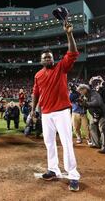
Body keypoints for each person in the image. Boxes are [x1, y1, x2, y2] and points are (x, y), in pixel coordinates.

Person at [31, 20, 80, 191]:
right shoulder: (38, 75)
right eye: (45, 57)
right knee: (49, 143)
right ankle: (53, 169)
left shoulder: (61, 68)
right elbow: (36, 93)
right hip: (45, 113)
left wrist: (69, 34)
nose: (48, 58)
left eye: (50, 56)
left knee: (67, 143)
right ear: (41, 60)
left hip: (61, 112)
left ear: (53, 59)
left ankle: (73, 175)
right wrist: (33, 111)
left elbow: (72, 53)